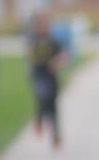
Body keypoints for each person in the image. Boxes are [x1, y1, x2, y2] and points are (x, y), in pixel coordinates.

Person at [26, 10, 68, 150]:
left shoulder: (53, 40)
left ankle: (55, 134)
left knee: (53, 104)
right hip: (39, 75)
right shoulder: (33, 39)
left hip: (51, 76)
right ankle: (39, 120)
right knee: (43, 98)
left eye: (47, 23)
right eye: (43, 23)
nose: (46, 25)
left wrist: (57, 62)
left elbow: (63, 54)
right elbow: (30, 56)